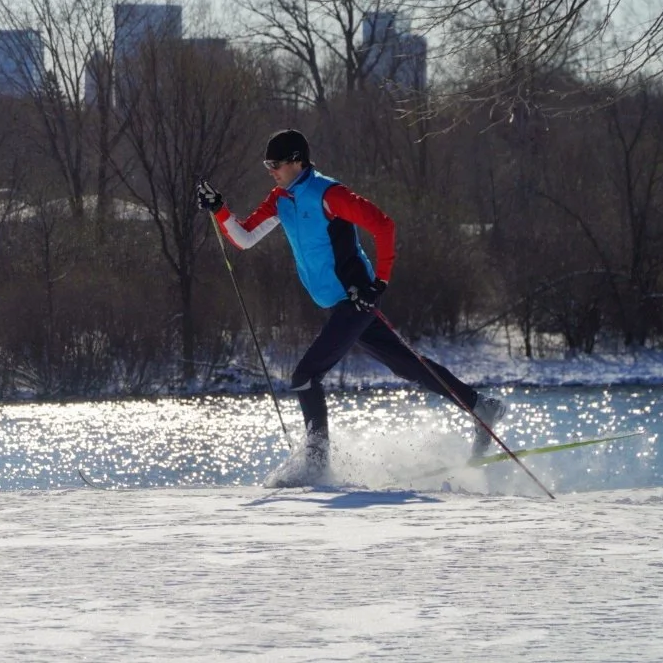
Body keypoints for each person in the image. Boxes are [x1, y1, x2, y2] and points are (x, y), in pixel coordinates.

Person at [196, 128, 503, 475]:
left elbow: (384, 226)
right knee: (407, 365)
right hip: (336, 304)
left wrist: (380, 284)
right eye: (267, 164)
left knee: (305, 376)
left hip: (355, 300)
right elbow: (245, 238)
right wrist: (221, 210)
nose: (270, 170)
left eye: (276, 163)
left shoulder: (328, 193)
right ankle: (481, 405)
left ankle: (316, 464)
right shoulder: (280, 199)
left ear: (297, 161)